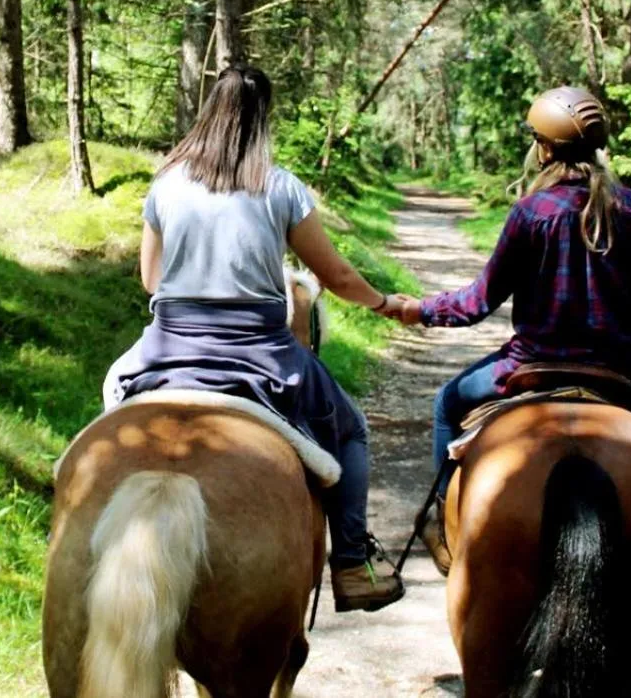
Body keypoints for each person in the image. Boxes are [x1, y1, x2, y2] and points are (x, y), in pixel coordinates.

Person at [104, 64, 406, 613]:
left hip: (169, 342)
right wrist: (386, 304)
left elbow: (151, 279)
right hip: (260, 350)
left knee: (110, 406)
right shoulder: (282, 186)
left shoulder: (166, 184)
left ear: (208, 112)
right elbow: (335, 277)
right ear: (262, 118)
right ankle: (351, 566)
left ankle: (87, 516)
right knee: (351, 430)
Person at [391, 86, 631, 575]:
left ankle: (441, 517)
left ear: (544, 148)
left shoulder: (530, 212)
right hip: (620, 366)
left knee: (447, 401)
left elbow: (477, 303)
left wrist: (419, 309)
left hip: (530, 364)